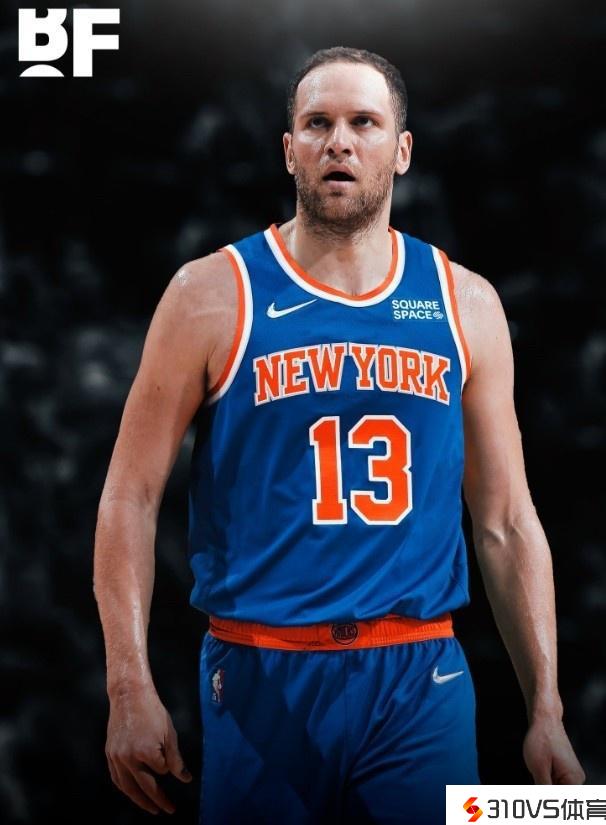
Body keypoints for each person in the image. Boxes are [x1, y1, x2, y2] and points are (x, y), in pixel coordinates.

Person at [93, 46, 585, 824]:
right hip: (260, 670)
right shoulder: (210, 295)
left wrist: (546, 705)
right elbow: (130, 495)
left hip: (419, 675)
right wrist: (127, 685)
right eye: (318, 123)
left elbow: (505, 520)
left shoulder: (466, 303)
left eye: (364, 122)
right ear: (289, 149)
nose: (340, 142)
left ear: (402, 149)